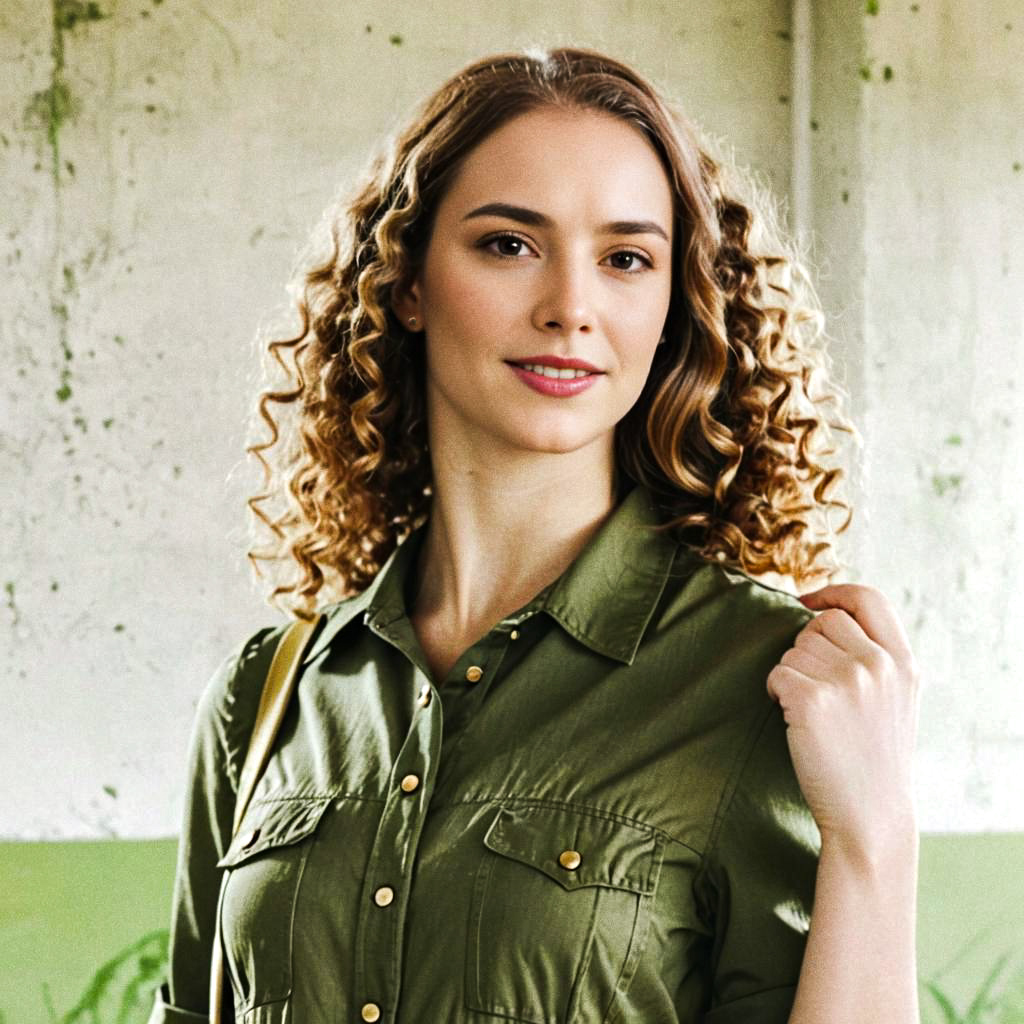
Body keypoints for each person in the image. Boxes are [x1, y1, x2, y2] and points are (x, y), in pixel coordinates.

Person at [148, 47, 921, 1024]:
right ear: (408, 280)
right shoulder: (266, 701)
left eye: (625, 258)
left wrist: (875, 839)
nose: (569, 306)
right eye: (509, 244)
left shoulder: (761, 685)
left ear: (672, 307)